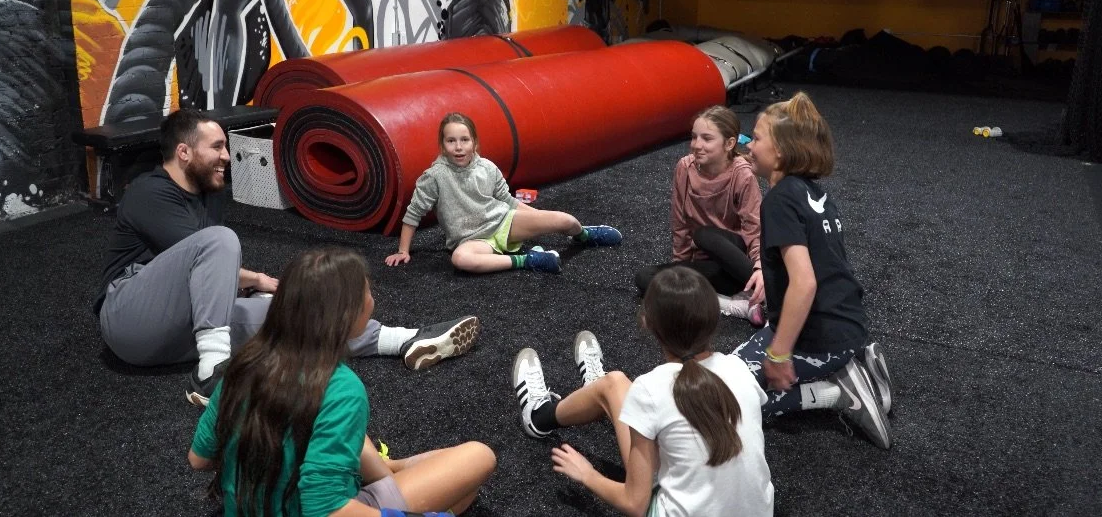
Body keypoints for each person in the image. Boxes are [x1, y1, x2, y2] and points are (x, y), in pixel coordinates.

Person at [95, 109, 480, 407]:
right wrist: (261, 283)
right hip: (130, 319)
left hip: (183, 329)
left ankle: (405, 341)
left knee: (297, 313)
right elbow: (211, 257)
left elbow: (211, 279)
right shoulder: (149, 193)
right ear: (183, 152)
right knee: (222, 243)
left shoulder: (209, 194)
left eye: (226, 148)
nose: (227, 156)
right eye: (217, 147)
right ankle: (213, 372)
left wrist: (271, 298)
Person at [189, 247, 496, 516]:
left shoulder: (240, 366)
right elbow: (325, 511)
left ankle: (391, 469)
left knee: (341, 432)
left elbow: (198, 459)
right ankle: (392, 474)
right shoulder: (340, 388)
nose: (372, 300)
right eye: (368, 293)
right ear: (347, 315)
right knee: (478, 461)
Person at [511, 267, 774, 517]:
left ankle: (539, 416)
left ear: (647, 323)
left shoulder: (650, 388)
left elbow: (635, 504)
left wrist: (587, 474)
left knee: (613, 383)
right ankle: (594, 392)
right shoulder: (740, 370)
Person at [735, 91, 894, 449]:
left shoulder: (778, 200)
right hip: (847, 327)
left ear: (781, 151)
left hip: (821, 339)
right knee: (731, 373)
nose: (749, 145)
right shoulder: (811, 193)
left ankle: (837, 392)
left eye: (757, 138)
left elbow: (804, 283)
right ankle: (855, 365)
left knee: (732, 404)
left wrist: (778, 354)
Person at [385, 113, 623, 274]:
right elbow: (413, 213)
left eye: (464, 140)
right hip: (472, 241)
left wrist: (538, 217)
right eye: (451, 141)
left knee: (565, 220)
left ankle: (583, 236)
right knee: (460, 260)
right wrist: (403, 250)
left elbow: (507, 201)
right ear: (442, 146)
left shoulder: (487, 168)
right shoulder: (434, 176)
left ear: (475, 143)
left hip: (502, 223)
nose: (458, 147)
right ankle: (529, 260)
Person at [634, 106, 765, 326]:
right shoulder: (684, 168)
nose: (697, 145)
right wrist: (680, 273)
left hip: (737, 258)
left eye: (706, 138)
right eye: (694, 137)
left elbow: (754, 228)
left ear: (729, 144)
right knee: (646, 279)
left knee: (704, 235)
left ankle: (763, 293)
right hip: (711, 266)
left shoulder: (742, 174)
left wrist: (759, 268)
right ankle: (731, 303)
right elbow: (680, 224)